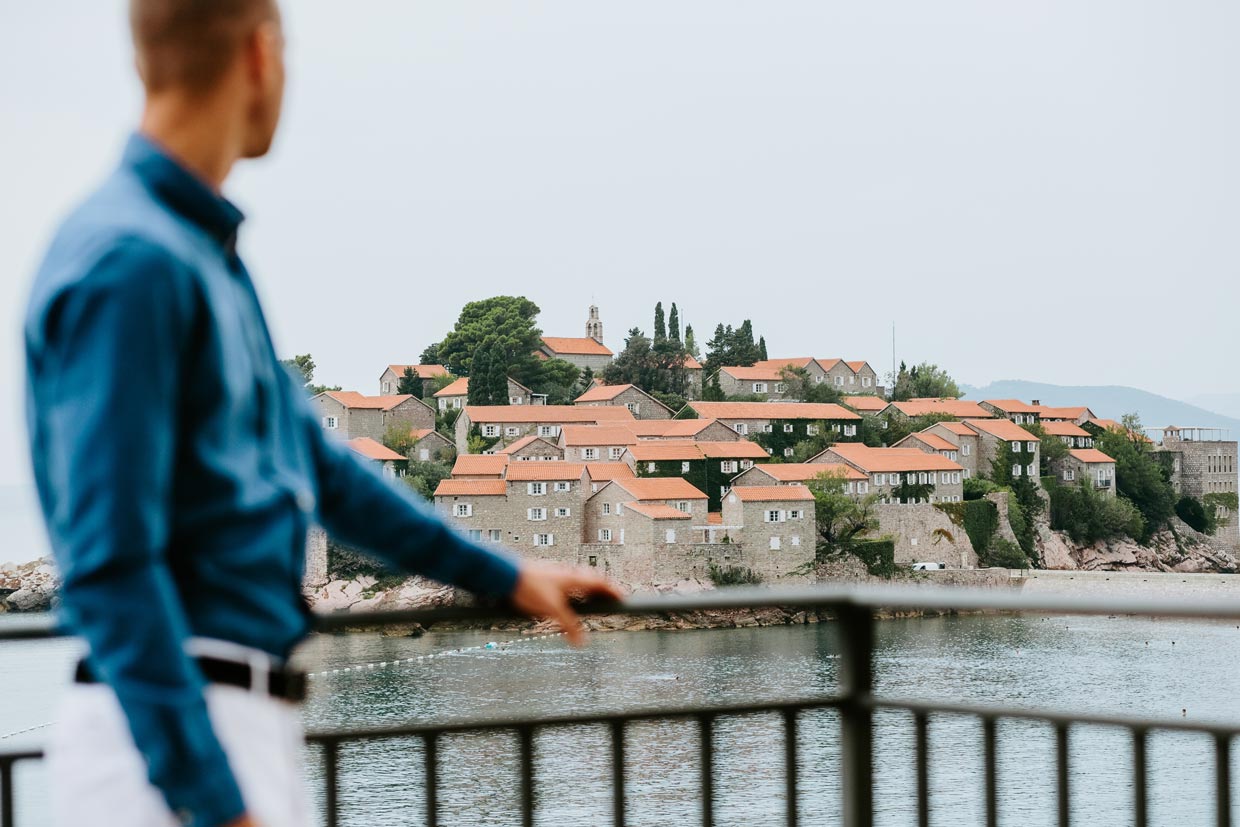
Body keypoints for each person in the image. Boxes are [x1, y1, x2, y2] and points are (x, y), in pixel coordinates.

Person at [22, 2, 622, 825]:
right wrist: (216, 802)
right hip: (168, 753)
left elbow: (322, 466)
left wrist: (505, 574)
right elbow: (110, 565)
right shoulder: (132, 262)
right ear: (262, 54)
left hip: (228, 726)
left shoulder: (198, 257)